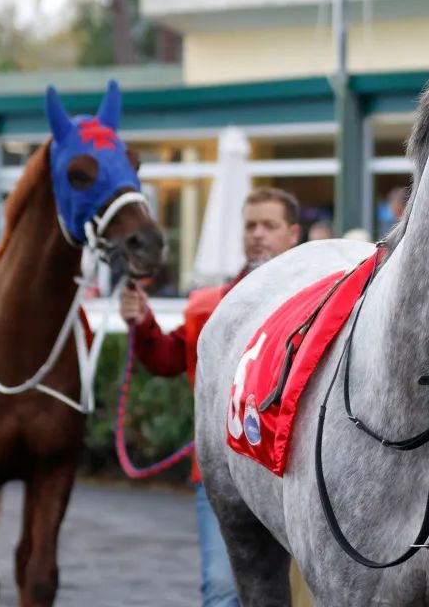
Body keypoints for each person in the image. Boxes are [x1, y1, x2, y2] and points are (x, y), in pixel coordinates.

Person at [119, 186, 301, 607]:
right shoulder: (215, 306)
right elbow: (169, 359)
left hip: (296, 469)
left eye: (268, 226)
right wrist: (144, 323)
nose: (257, 234)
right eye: (250, 225)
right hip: (223, 472)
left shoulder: (325, 298)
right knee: (222, 590)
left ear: (293, 234)